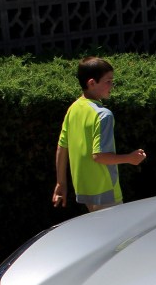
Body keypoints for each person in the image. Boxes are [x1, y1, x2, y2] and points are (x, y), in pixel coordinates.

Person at [52, 57, 146, 212]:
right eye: (108, 81)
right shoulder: (104, 115)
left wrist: (61, 183)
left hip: (85, 191)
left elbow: (62, 147)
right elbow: (99, 156)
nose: (112, 85)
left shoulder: (73, 109)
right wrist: (130, 158)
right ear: (91, 83)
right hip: (106, 192)